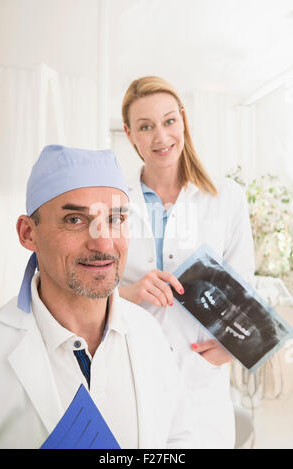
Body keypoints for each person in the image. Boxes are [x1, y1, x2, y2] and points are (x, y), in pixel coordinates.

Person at [0, 144, 197, 449]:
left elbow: (179, 438)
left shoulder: (148, 333)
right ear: (28, 233)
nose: (103, 241)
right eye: (75, 220)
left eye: (116, 219)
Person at [119, 76, 255, 448]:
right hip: (130, 369)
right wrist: (130, 292)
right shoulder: (115, 199)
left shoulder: (227, 197)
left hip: (199, 379)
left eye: (168, 121)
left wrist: (231, 346)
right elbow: (93, 289)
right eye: (146, 127)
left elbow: (246, 292)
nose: (161, 137)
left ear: (183, 121)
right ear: (130, 135)